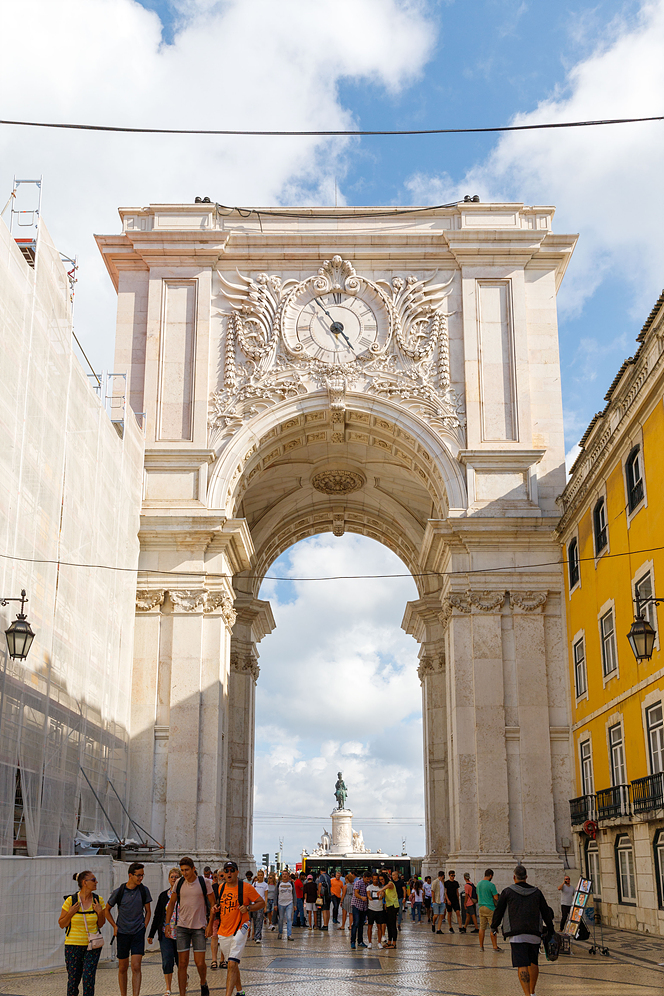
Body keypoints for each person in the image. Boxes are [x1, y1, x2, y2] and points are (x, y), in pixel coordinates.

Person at [491, 864, 554, 996]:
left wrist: (494, 926)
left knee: (522, 964)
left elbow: (499, 911)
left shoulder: (507, 892)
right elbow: (546, 912)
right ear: (526, 877)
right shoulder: (537, 892)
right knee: (533, 962)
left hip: (516, 933)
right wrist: (551, 929)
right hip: (534, 933)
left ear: (514, 877)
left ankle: (526, 994)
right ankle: (532, 992)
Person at [207, 859, 264, 996]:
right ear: (223, 873)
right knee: (233, 964)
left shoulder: (245, 887)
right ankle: (239, 991)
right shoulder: (221, 888)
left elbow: (261, 902)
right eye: (226, 871)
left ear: (237, 872)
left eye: (232, 870)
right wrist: (214, 912)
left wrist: (248, 907)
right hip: (224, 929)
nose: (229, 873)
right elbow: (218, 906)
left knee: (231, 965)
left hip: (241, 927)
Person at [165, 855, 214, 996]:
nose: (185, 873)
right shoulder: (179, 883)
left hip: (199, 927)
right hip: (182, 927)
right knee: (182, 963)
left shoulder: (204, 882)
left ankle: (203, 982)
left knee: (200, 963)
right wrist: (168, 923)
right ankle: (182, 994)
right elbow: (171, 904)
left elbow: (213, 905)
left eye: (187, 870)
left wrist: (210, 924)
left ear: (193, 869)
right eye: (182, 870)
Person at [106, 862, 152, 996]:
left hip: (137, 932)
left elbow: (148, 911)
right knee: (123, 967)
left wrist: (144, 925)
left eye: (142, 875)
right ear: (130, 875)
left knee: (136, 966)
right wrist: (114, 926)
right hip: (122, 933)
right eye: (138, 875)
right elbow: (107, 910)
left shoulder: (144, 890)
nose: (141, 878)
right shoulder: (119, 891)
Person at [59, 870, 106, 996]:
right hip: (73, 945)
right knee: (73, 980)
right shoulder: (71, 900)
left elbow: (101, 924)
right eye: (93, 880)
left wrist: (100, 912)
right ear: (84, 883)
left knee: (88, 979)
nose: (96, 882)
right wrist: (70, 913)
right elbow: (61, 923)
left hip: (92, 945)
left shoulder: (98, 900)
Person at [147, 867, 180, 996]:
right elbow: (157, 915)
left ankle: (184, 979)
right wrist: (151, 934)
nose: (174, 879)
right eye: (172, 877)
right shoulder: (163, 896)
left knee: (180, 961)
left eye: (176, 877)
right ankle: (168, 988)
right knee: (167, 960)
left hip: (180, 933)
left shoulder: (183, 895)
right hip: (165, 932)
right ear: (168, 879)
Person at [477, 869, 502, 953]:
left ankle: (481, 947)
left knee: (482, 928)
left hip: (481, 907)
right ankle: (495, 946)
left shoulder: (479, 884)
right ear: (491, 876)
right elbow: (496, 898)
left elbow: (477, 896)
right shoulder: (491, 885)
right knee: (493, 927)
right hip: (490, 908)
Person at [350, 871, 371, 949]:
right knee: (355, 923)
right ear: (364, 877)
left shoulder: (368, 885)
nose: (368, 881)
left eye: (369, 879)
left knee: (361, 924)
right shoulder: (358, 883)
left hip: (364, 907)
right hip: (356, 905)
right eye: (367, 879)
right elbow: (356, 893)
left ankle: (360, 941)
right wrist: (361, 897)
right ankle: (352, 941)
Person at [378, 872, 399, 948]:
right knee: (389, 925)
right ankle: (389, 942)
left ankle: (394, 943)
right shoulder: (385, 886)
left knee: (392, 925)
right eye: (380, 880)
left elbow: (389, 885)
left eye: (382, 879)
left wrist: (381, 890)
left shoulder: (390, 883)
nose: (381, 881)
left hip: (394, 906)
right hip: (389, 906)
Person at [366, 872, 385, 948]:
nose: (375, 880)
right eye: (374, 879)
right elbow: (368, 894)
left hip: (379, 909)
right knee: (370, 926)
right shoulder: (369, 887)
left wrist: (382, 896)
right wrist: (369, 897)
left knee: (379, 926)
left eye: (376, 879)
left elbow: (383, 893)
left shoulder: (381, 887)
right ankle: (370, 942)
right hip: (371, 909)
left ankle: (379, 942)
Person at [277, 868, 296, 940]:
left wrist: (294, 904)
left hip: (289, 902)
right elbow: (276, 894)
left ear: (288, 876)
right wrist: (275, 904)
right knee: (281, 919)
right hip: (281, 903)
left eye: (286, 874)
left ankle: (289, 935)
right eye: (283, 874)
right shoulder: (279, 883)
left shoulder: (291, 883)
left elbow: (294, 894)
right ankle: (280, 932)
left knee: (289, 918)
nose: (285, 876)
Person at [252, 869, 268, 942]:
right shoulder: (254, 884)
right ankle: (256, 934)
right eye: (259, 875)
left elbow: (266, 896)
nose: (260, 876)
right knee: (255, 920)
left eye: (261, 875)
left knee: (259, 920)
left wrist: (265, 906)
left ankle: (257, 937)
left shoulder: (265, 885)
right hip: (254, 904)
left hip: (261, 905)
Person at [431, 870, 446, 934]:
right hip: (436, 901)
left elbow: (444, 891)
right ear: (442, 876)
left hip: (442, 901)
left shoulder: (443, 883)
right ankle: (433, 922)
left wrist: (445, 899)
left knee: (441, 915)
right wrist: (433, 900)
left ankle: (439, 929)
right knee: (436, 915)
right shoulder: (435, 882)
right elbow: (432, 891)